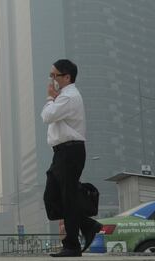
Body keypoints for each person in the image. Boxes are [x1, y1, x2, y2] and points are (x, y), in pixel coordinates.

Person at [41, 59, 101, 257]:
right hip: (61, 152)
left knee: (67, 197)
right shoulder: (64, 96)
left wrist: (50, 98)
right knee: (52, 196)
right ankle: (87, 224)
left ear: (66, 77)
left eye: (54, 75)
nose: (52, 79)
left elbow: (47, 116)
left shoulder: (69, 97)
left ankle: (72, 245)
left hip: (70, 151)